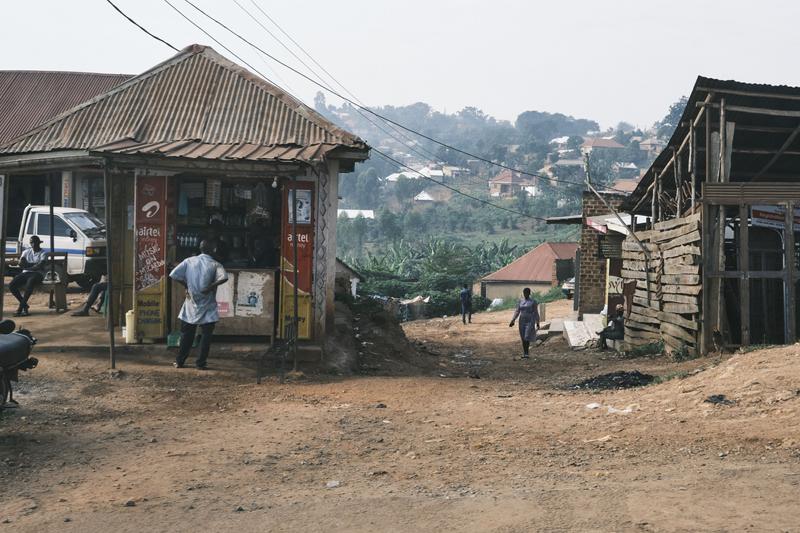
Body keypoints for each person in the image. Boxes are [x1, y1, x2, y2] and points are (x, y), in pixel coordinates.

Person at [169, 240, 229, 370]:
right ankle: (200, 363)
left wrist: (186, 285)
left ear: (200, 249)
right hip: (208, 303)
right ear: (213, 250)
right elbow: (224, 277)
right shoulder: (215, 263)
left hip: (191, 302)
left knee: (186, 334)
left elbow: (173, 274)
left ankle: (180, 361)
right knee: (206, 336)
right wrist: (210, 287)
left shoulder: (189, 261)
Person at [9, 236, 47, 317]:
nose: (33, 244)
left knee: (30, 282)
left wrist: (28, 265)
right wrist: (33, 265)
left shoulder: (43, 253)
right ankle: (25, 305)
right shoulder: (26, 252)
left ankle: (20, 308)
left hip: (38, 274)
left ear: (38, 243)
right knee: (11, 285)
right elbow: (21, 264)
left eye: (34, 242)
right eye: (31, 242)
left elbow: (40, 266)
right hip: (26, 273)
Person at [509, 287, 540, 359]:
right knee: (523, 337)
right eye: (524, 293)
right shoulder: (520, 301)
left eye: (527, 293)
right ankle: (525, 353)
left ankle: (527, 353)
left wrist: (537, 322)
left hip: (530, 320)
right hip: (522, 320)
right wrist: (513, 320)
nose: (525, 294)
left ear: (529, 293)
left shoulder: (533, 302)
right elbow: (517, 311)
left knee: (527, 336)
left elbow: (536, 312)